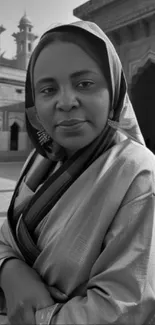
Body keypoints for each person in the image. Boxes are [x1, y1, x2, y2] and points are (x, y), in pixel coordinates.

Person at [0, 20, 155, 325]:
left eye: (85, 84)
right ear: (34, 102)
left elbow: (123, 309)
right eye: (48, 89)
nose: (66, 102)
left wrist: (35, 318)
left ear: (113, 91)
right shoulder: (40, 160)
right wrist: (10, 270)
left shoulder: (138, 175)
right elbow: (6, 237)